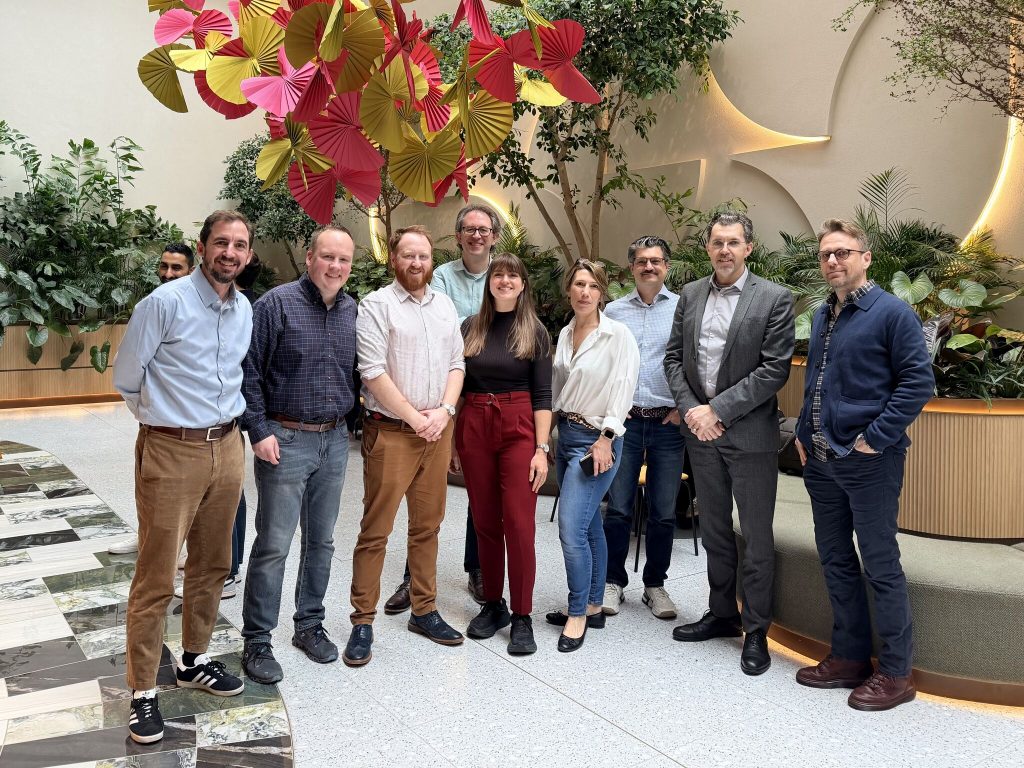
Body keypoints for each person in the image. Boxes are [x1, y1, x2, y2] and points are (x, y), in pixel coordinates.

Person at [113, 211, 253, 744]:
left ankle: (194, 658)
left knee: (213, 561)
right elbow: (127, 378)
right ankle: (143, 689)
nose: (230, 253)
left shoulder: (244, 309)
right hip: (172, 449)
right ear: (202, 247)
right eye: (222, 242)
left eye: (240, 245)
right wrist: (162, 425)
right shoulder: (163, 304)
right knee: (156, 570)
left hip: (228, 446)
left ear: (247, 255)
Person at [793, 219, 933, 711]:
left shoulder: (892, 313)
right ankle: (850, 657)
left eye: (844, 252)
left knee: (879, 564)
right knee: (834, 559)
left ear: (866, 258)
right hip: (822, 461)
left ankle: (896, 672)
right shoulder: (821, 314)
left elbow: (918, 383)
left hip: (869, 462)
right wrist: (801, 432)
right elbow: (818, 381)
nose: (834, 261)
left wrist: (875, 438)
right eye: (827, 254)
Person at [663, 210, 794, 676]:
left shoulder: (775, 299)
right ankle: (723, 613)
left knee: (756, 536)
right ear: (708, 248)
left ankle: (756, 628)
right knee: (714, 529)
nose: (724, 250)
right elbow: (675, 357)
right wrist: (696, 413)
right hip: (701, 436)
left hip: (751, 436)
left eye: (733, 242)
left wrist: (716, 411)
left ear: (749, 247)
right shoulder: (690, 294)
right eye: (717, 242)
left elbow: (773, 369)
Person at [239, 227, 358, 684]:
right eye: (327, 257)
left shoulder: (352, 310)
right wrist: (259, 430)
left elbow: (359, 373)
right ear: (309, 258)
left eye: (344, 260)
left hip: (333, 442)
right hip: (283, 440)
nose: (336, 267)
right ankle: (258, 640)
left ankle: (308, 625)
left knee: (322, 541)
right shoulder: (276, 304)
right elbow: (248, 371)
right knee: (273, 544)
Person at [343, 225, 466, 667]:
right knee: (376, 529)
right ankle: (362, 620)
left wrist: (444, 414)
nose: (417, 263)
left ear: (432, 260)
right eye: (409, 256)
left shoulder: (445, 305)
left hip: (437, 430)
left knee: (427, 526)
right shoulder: (377, 305)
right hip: (393, 432)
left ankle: (424, 610)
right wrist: (417, 419)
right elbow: (372, 371)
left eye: (424, 256)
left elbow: (457, 364)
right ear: (393, 259)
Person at [383, 203, 502, 613]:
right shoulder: (440, 276)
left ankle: (478, 569)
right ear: (457, 237)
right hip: (441, 396)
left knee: (482, 487)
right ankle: (411, 579)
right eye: (469, 229)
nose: (476, 236)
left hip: (485, 391)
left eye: (483, 229)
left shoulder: (503, 276)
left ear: (494, 236)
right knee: (420, 494)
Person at [452, 253, 552, 655]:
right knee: (485, 521)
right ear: (489, 282)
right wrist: (449, 444)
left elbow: (544, 396)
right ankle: (494, 604)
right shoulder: (469, 328)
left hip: (519, 427)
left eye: (512, 275)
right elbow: (456, 387)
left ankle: (522, 614)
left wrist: (542, 449)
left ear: (523, 284)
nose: (505, 280)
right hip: (474, 423)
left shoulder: (536, 331)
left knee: (518, 522)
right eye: (498, 274)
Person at [547, 259, 639, 652]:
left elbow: (623, 389)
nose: (584, 292)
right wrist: (549, 433)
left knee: (570, 528)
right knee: (589, 527)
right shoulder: (566, 333)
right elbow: (556, 390)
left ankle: (577, 612)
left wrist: (606, 437)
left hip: (597, 440)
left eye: (592, 286)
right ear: (570, 289)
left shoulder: (617, 335)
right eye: (578, 284)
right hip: (566, 434)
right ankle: (596, 603)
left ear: (603, 292)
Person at [602, 235, 685, 620]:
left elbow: (696, 360)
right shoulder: (614, 312)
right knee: (618, 507)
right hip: (627, 423)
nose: (649, 267)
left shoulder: (684, 308)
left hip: (669, 423)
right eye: (641, 261)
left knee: (664, 510)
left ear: (667, 266)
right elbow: (605, 364)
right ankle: (612, 582)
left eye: (656, 261)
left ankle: (656, 585)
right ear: (631, 267)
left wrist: (686, 408)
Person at [108, 241, 197, 558]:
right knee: (152, 493)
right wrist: (143, 409)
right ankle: (145, 536)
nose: (168, 273)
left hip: (203, 428)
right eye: (164, 266)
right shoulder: (151, 305)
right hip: (160, 424)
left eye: (177, 267)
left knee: (199, 501)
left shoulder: (206, 307)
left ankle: (187, 555)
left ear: (192, 269)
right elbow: (128, 366)